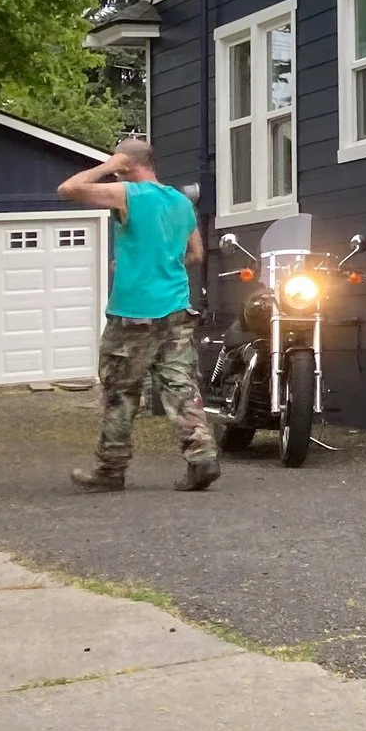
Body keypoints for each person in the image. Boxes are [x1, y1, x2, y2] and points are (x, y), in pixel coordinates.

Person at [57, 137, 218, 492]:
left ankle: (110, 470)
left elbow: (68, 189)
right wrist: (154, 264)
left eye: (118, 165)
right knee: (180, 387)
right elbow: (196, 255)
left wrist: (108, 166)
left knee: (120, 392)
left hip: (134, 313)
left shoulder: (127, 193)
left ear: (125, 165)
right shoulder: (180, 201)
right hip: (177, 310)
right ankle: (202, 458)